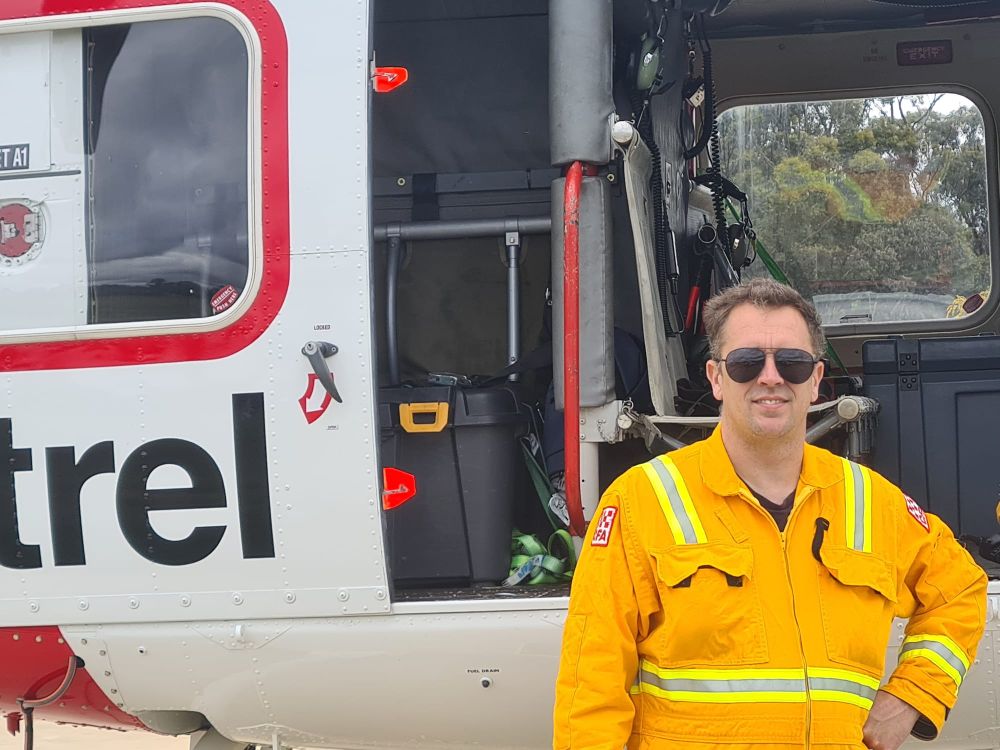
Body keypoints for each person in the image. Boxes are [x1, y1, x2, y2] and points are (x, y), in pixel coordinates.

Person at [552, 278, 987, 750]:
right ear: (716, 378)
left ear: (817, 380)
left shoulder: (871, 500)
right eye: (746, 362)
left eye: (793, 363)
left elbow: (960, 590)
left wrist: (912, 695)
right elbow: (589, 684)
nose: (771, 377)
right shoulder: (642, 500)